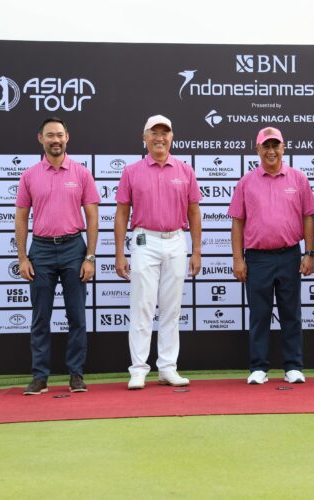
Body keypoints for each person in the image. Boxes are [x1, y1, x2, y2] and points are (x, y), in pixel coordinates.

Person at [114, 115, 202, 390]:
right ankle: (138, 369)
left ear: (171, 137)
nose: (160, 138)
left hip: (176, 240)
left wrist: (197, 250)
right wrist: (119, 253)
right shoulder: (131, 171)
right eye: (154, 133)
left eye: (165, 133)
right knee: (142, 306)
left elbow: (194, 212)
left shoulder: (185, 170)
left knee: (171, 309)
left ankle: (167, 368)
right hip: (144, 240)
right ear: (145, 137)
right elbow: (122, 213)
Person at [15, 117, 100, 395]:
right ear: (40, 138)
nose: (56, 140)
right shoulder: (29, 176)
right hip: (40, 250)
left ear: (67, 137)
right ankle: (40, 377)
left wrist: (90, 257)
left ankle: (76, 375)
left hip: (74, 248)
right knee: (40, 318)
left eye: (60, 135)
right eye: (50, 135)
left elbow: (92, 217)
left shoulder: (81, 173)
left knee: (77, 316)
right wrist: (22, 258)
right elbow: (21, 217)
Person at [229, 127, 314, 385]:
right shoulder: (246, 182)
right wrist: (238, 259)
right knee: (259, 315)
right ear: (257, 149)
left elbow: (308, 217)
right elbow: (237, 222)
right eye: (265, 146)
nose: (271, 151)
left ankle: (293, 366)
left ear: (283, 147)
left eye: (275, 145)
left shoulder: (298, 179)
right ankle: (258, 367)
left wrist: (309, 253)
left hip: (289, 255)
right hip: (257, 258)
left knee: (291, 313)